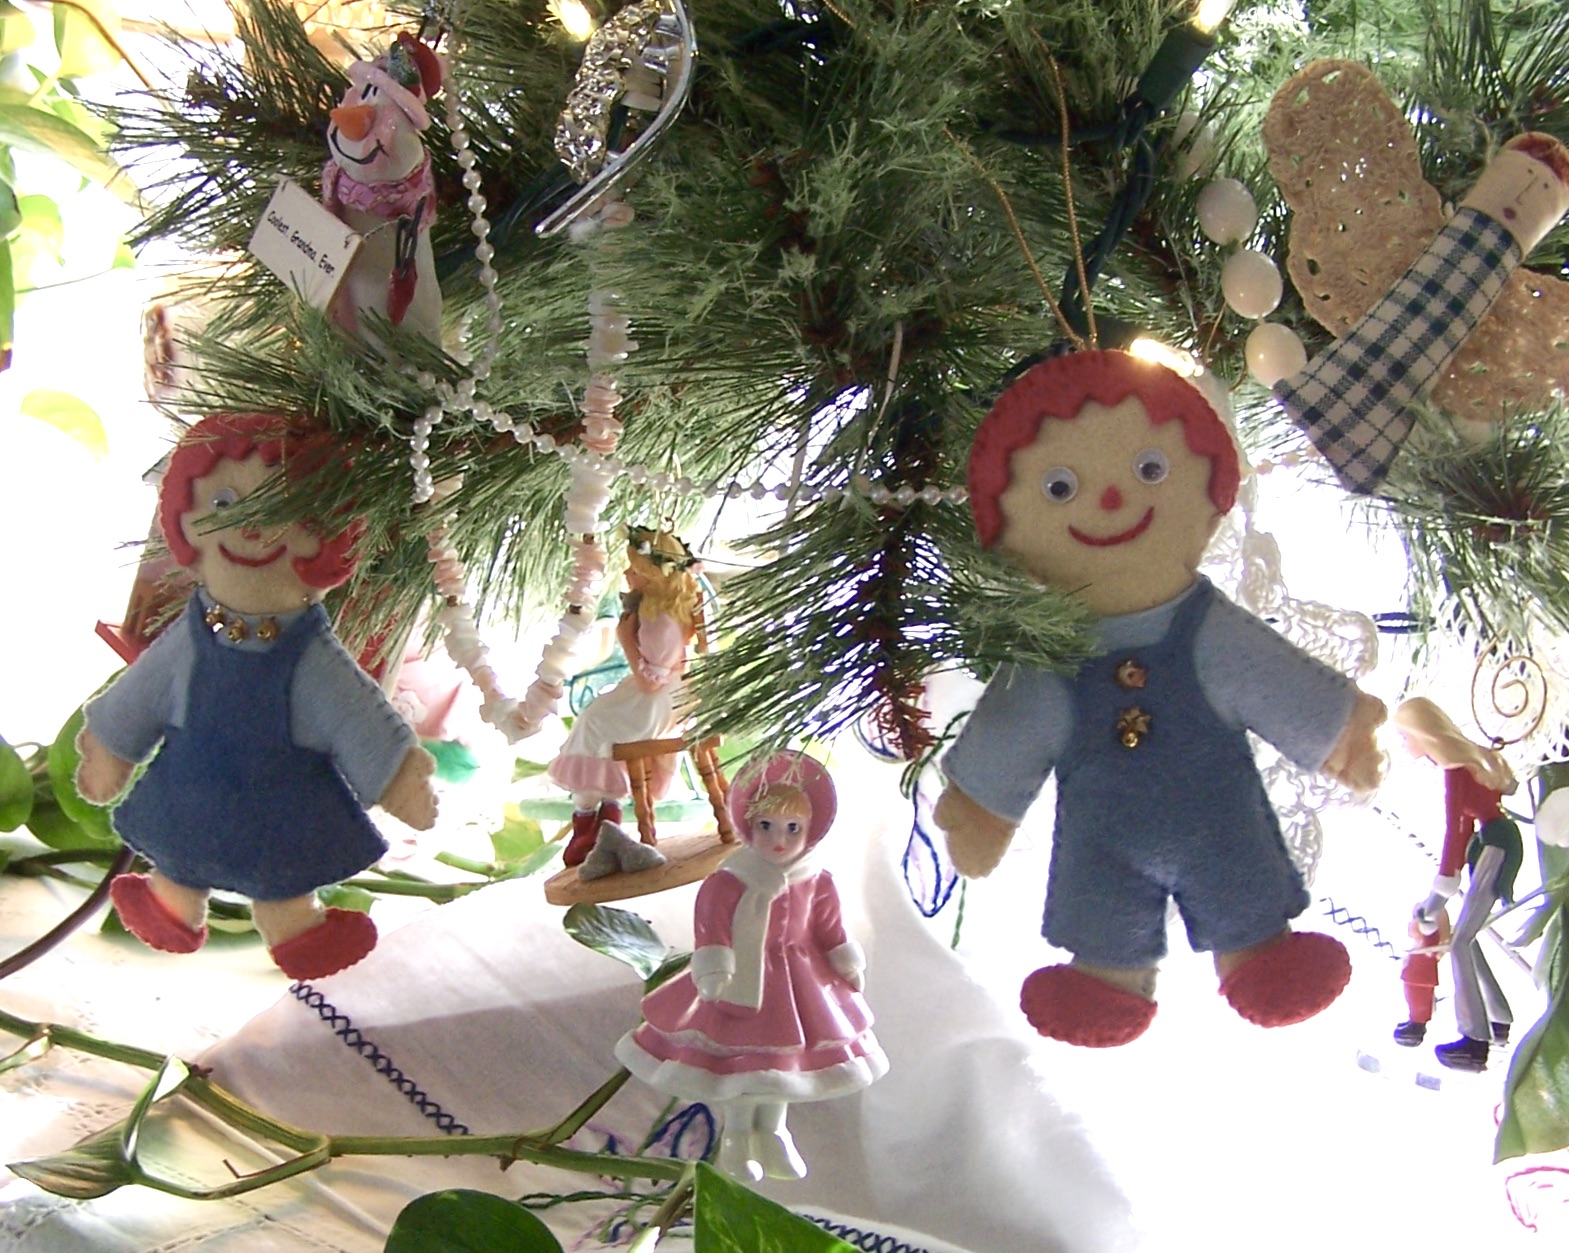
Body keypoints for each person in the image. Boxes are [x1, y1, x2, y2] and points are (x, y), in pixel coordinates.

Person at [935, 348, 1386, 1047]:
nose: (1110, 500)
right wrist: (980, 805)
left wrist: (1341, 730)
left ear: (1208, 487)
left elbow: (1269, 677)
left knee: (1240, 883)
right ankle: (1103, 981)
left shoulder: (1208, 629)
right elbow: (1016, 723)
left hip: (1220, 823)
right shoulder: (1053, 651)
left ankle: (1262, 956)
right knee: (1104, 908)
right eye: (1059, 487)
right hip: (1104, 842)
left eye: (1150, 470)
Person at [75, 413, 437, 980]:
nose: (251, 529)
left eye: (283, 513)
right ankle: (169, 905)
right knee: (182, 853)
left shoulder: (312, 659)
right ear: (187, 519)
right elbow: (140, 698)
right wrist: (108, 750)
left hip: (278, 814)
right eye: (224, 504)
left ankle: (298, 934)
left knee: (282, 878)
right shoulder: (189, 640)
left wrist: (397, 776)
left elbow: (354, 719)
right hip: (190, 801)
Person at [614, 753, 888, 1181]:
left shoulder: (817, 879)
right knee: (741, 1067)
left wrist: (845, 961)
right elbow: (712, 927)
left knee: (781, 1067)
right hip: (742, 978)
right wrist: (713, 967)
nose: (779, 840)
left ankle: (774, 1132)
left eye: (792, 828)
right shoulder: (730, 879)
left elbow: (829, 928)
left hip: (801, 983)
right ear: (748, 825)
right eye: (766, 826)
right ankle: (737, 1137)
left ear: (811, 828)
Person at [547, 527, 702, 866]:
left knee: (594, 724)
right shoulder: (661, 611)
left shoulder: (660, 621)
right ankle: (600, 821)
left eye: (635, 569)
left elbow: (649, 682)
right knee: (596, 718)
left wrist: (625, 638)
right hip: (666, 697)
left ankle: (591, 820)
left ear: (652, 574)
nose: (628, 574)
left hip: (656, 703)